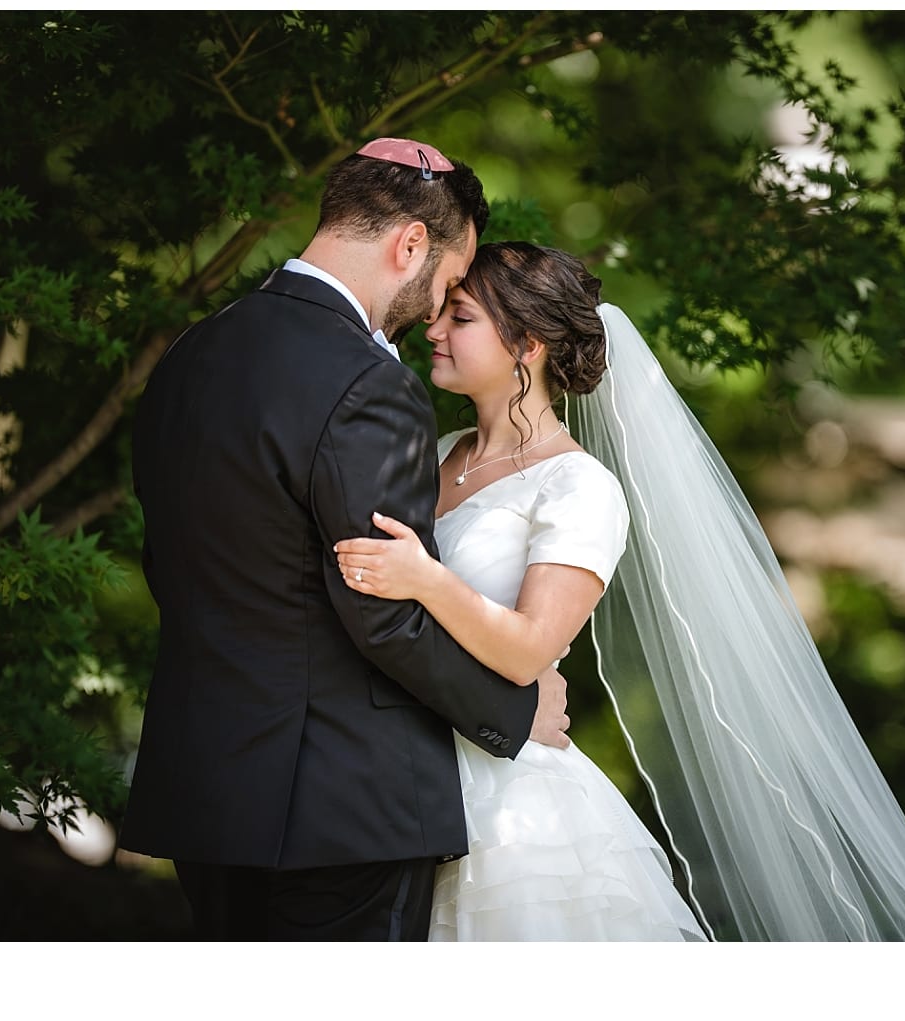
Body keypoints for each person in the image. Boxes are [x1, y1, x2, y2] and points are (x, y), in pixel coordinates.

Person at [333, 242, 905, 940]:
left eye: (459, 317)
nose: (433, 329)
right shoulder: (435, 453)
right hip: (398, 774)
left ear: (526, 342)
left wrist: (426, 580)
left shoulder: (579, 487)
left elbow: (527, 652)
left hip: (513, 811)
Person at [124, 139, 571, 940]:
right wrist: (515, 707)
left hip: (203, 786)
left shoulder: (191, 352)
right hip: (340, 803)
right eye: (444, 281)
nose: (437, 309)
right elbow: (383, 611)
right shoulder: (369, 384)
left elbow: (169, 562)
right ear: (408, 244)